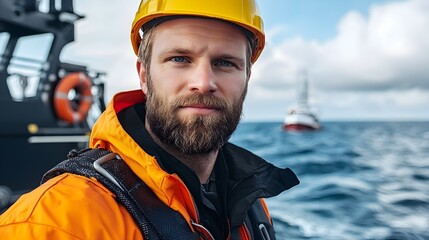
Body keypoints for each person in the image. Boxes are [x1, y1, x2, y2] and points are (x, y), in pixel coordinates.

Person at [0, 0, 299, 239]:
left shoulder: (251, 206)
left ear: (246, 78)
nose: (204, 81)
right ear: (144, 76)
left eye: (225, 63)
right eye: (180, 59)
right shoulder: (55, 223)